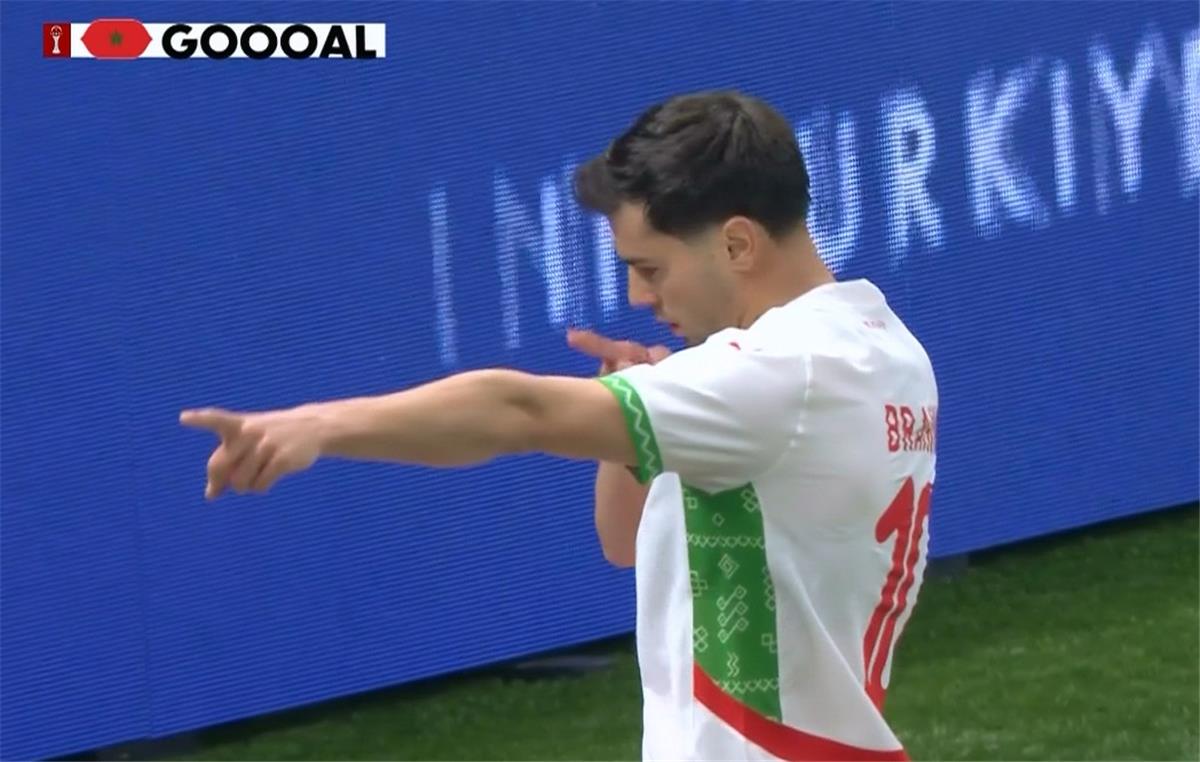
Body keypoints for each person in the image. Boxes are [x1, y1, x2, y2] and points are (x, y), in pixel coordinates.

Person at [181, 90, 938, 761]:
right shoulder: (887, 351)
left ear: (737, 243)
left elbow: (519, 410)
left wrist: (318, 425)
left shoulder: (772, 377)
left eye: (651, 267)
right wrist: (640, 412)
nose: (638, 297)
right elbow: (625, 543)